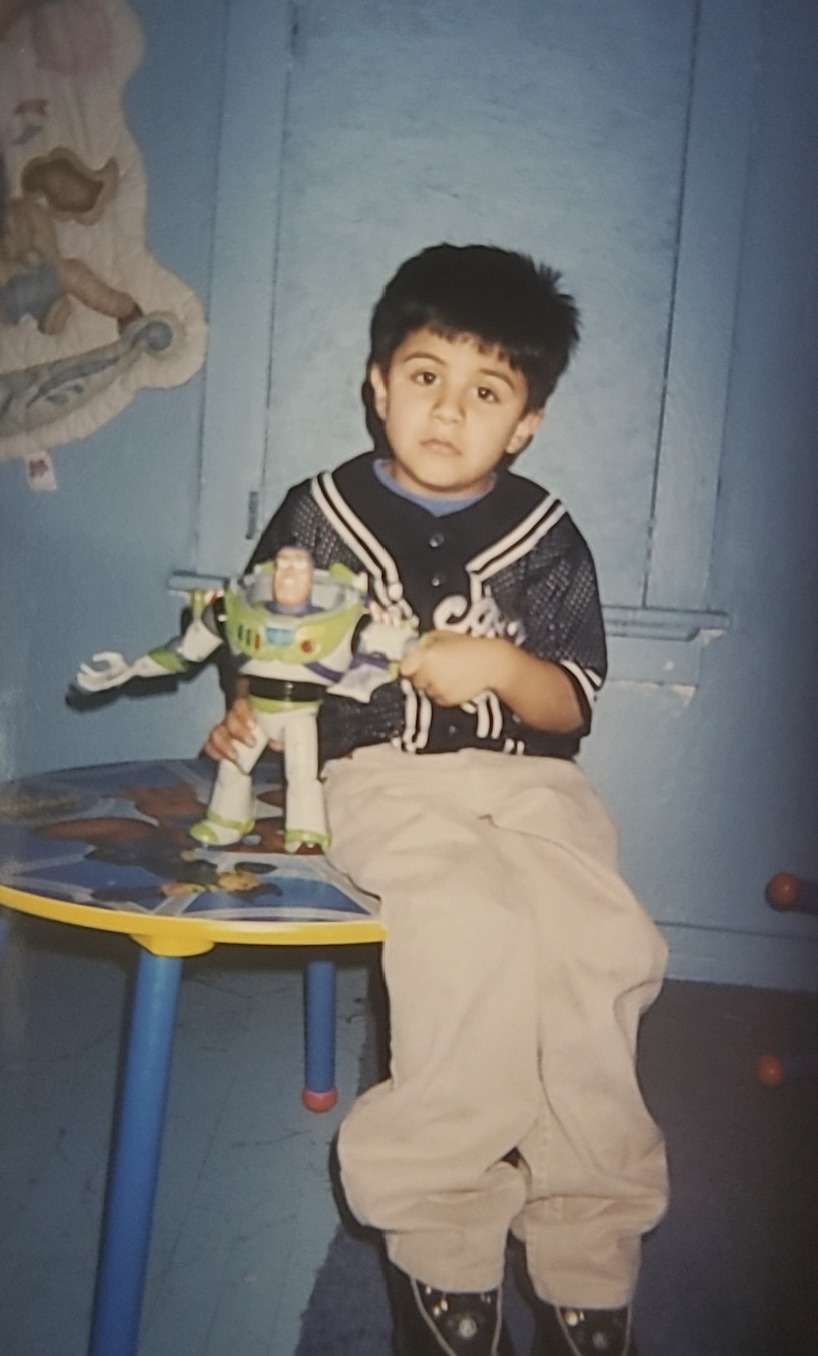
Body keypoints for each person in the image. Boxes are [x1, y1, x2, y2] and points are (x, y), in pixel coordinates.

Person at [204, 243, 669, 1356]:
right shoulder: (315, 514)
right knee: (469, 933)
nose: (448, 412)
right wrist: (243, 722)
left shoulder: (546, 535)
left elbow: (567, 704)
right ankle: (443, 1237)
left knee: (598, 947)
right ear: (377, 383)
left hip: (531, 782)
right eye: (424, 377)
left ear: (524, 425)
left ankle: (585, 1247)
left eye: (486, 392)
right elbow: (267, 659)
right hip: (380, 777)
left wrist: (500, 669)